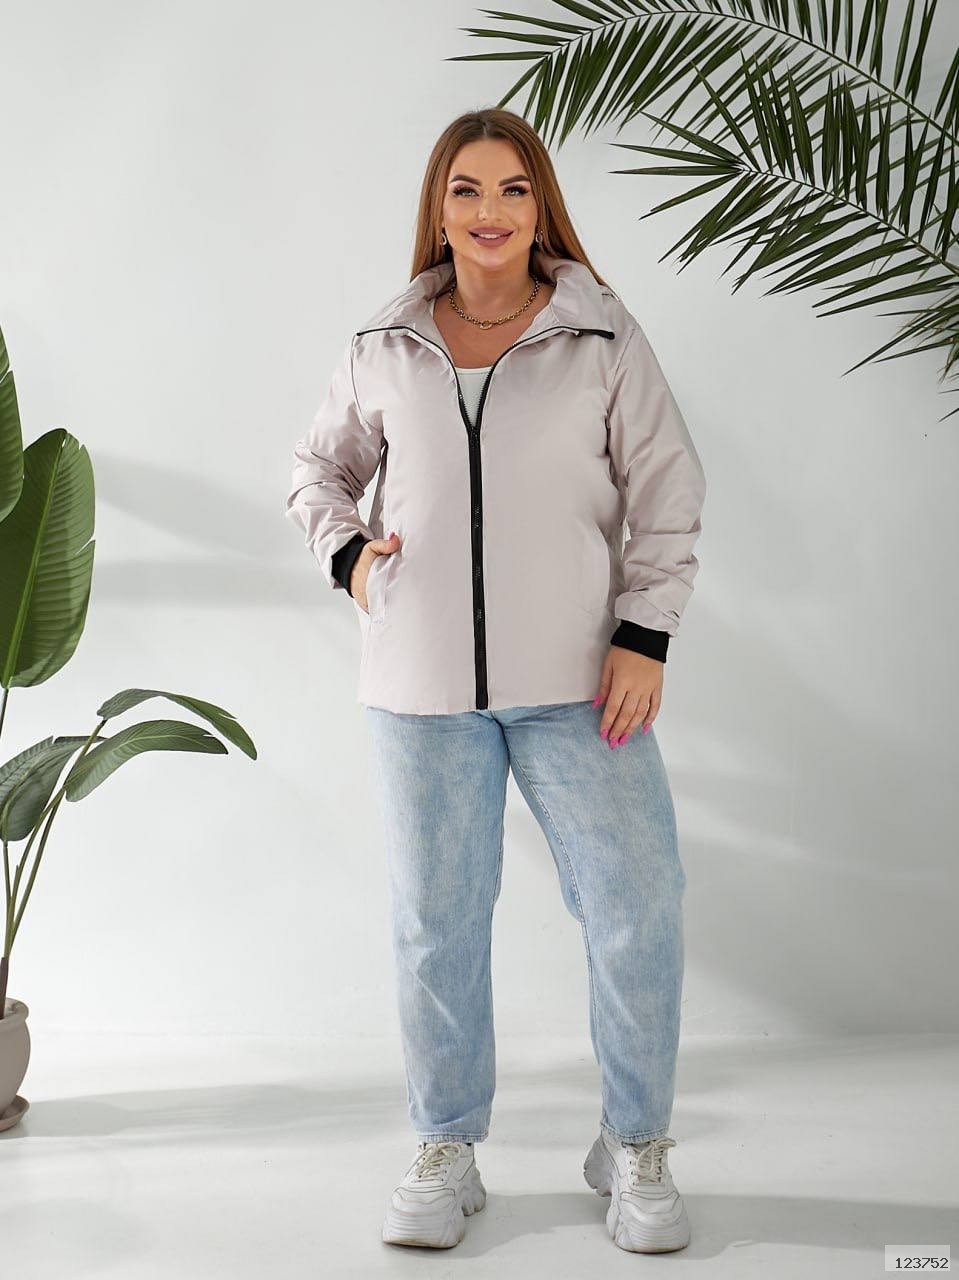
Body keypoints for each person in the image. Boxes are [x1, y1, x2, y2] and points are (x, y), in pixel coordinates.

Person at [285, 107, 707, 1255]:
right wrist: (346, 554)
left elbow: (666, 486)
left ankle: (633, 1142)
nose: (489, 211)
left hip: (582, 682)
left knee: (637, 905)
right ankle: (445, 1143)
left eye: (513, 190)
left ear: (540, 207)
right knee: (436, 924)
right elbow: (317, 469)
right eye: (466, 190)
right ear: (438, 208)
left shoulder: (600, 335)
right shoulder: (383, 342)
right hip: (419, 687)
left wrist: (644, 633)